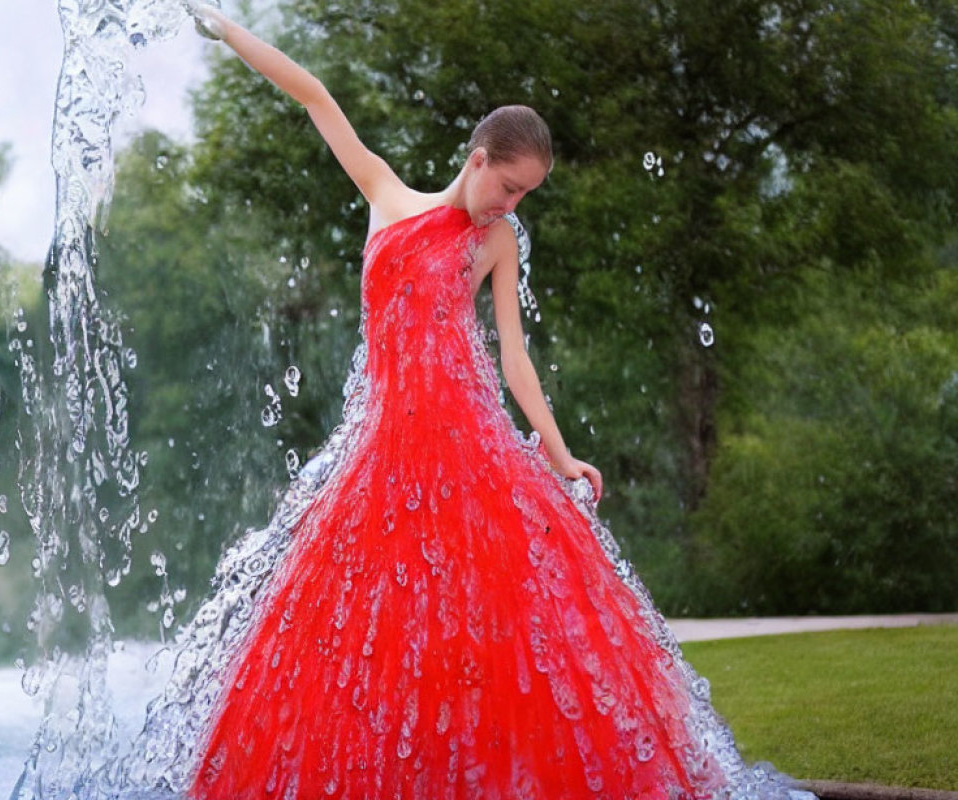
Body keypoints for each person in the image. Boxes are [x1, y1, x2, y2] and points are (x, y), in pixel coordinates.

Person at [173, 5, 816, 799]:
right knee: (369, 626)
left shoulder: (496, 241)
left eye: (525, 196)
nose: (511, 205)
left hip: (466, 441)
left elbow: (513, 355)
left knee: (500, 618)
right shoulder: (386, 195)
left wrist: (556, 449)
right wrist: (227, 31)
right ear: (478, 161)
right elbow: (315, 97)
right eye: (508, 187)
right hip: (383, 451)